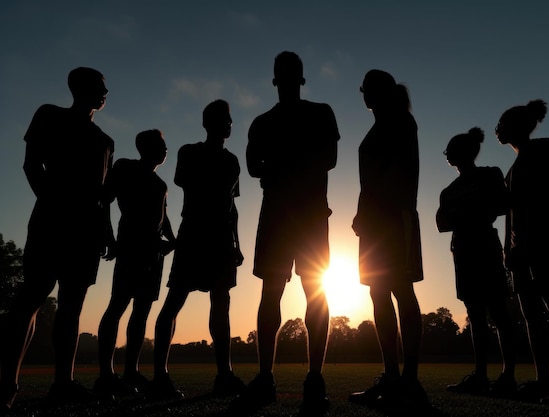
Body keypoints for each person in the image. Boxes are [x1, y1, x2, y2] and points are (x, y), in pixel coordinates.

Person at [0, 67, 114, 411]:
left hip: (87, 233)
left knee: (72, 307)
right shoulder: (49, 116)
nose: (104, 94)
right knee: (30, 300)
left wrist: (105, 229)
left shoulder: (105, 141)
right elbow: (31, 165)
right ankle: (7, 384)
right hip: (51, 224)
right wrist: (52, 205)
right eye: (98, 87)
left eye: (105, 89)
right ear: (77, 88)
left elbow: (102, 194)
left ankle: (63, 383)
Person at [236, 51, 339, 412]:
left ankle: (310, 378)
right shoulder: (268, 121)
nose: (289, 80)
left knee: (310, 295)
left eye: (290, 74)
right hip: (289, 216)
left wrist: (279, 165)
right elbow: (253, 166)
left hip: (301, 216)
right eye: (287, 74)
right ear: (283, 79)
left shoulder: (313, 114)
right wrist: (296, 163)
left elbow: (328, 158)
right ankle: (272, 377)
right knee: (277, 294)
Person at [150, 99, 245, 399]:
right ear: (207, 123)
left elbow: (233, 207)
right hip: (194, 233)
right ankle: (160, 376)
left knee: (221, 304)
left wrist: (237, 244)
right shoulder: (189, 152)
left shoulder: (232, 161)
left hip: (220, 239)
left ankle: (224, 375)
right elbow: (187, 184)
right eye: (221, 119)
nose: (228, 124)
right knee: (174, 300)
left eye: (229, 119)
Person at [348, 69, 427, 412]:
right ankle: (393, 376)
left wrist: (372, 211)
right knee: (378, 292)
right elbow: (371, 182)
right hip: (376, 222)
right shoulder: (381, 125)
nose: (363, 95)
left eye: (366, 89)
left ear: (374, 92)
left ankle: (408, 378)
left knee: (401, 289)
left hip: (394, 218)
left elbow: (394, 175)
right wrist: (363, 213)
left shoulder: (400, 121)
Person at [496, 99, 549, 405]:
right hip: (520, 253)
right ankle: (542, 380)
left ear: (517, 126)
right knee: (531, 315)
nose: (498, 129)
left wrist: (535, 240)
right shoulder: (510, 172)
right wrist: (509, 252)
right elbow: (510, 216)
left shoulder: (545, 148)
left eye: (502, 124)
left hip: (545, 242)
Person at [94, 129, 176, 397]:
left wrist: (173, 241)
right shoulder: (125, 168)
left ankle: (131, 371)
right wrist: (108, 236)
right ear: (146, 147)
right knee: (117, 305)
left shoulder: (160, 184)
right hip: (131, 247)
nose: (165, 150)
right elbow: (104, 200)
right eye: (160, 145)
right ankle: (106, 373)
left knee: (141, 312)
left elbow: (163, 218)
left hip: (153, 254)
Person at [436, 127, 517, 397]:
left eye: (451, 151)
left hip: (483, 245)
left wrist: (466, 212)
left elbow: (504, 205)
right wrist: (473, 210)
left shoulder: (489, 174)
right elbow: (441, 222)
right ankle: (481, 376)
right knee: (476, 315)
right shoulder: (449, 190)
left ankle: (507, 375)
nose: (449, 155)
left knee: (498, 313)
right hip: (464, 250)